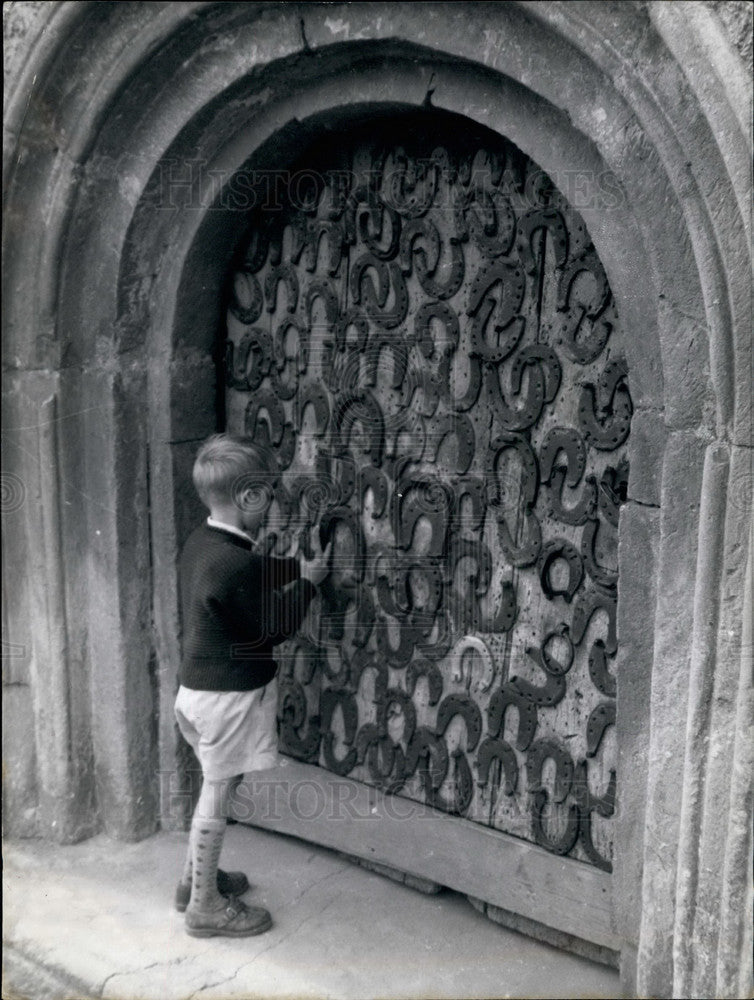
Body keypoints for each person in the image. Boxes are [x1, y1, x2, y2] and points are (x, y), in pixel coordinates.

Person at [173, 433, 330, 937]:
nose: (274, 502)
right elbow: (273, 626)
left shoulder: (205, 542)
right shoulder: (233, 562)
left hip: (197, 694)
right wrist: (306, 584)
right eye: (267, 492)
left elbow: (251, 571)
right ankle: (205, 906)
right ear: (248, 498)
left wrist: (296, 568)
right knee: (218, 795)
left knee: (215, 788)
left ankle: (193, 881)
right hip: (228, 701)